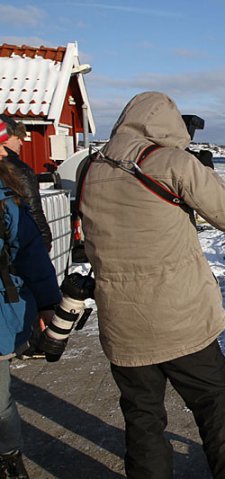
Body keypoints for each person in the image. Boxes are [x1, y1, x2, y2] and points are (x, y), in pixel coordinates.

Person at [77, 92, 225, 479]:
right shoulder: (171, 162)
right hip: (180, 321)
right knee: (213, 405)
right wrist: (204, 172)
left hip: (122, 323)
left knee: (142, 418)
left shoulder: (91, 168)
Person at [0, 120, 61, 478]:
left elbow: (29, 252)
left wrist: (47, 302)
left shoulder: (8, 195)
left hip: (3, 302)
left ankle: (8, 458)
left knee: (0, 399)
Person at [0, 115, 52, 252]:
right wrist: (45, 240)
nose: (21, 144)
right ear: (7, 139)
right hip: (19, 242)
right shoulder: (20, 170)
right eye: (18, 138)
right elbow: (33, 209)